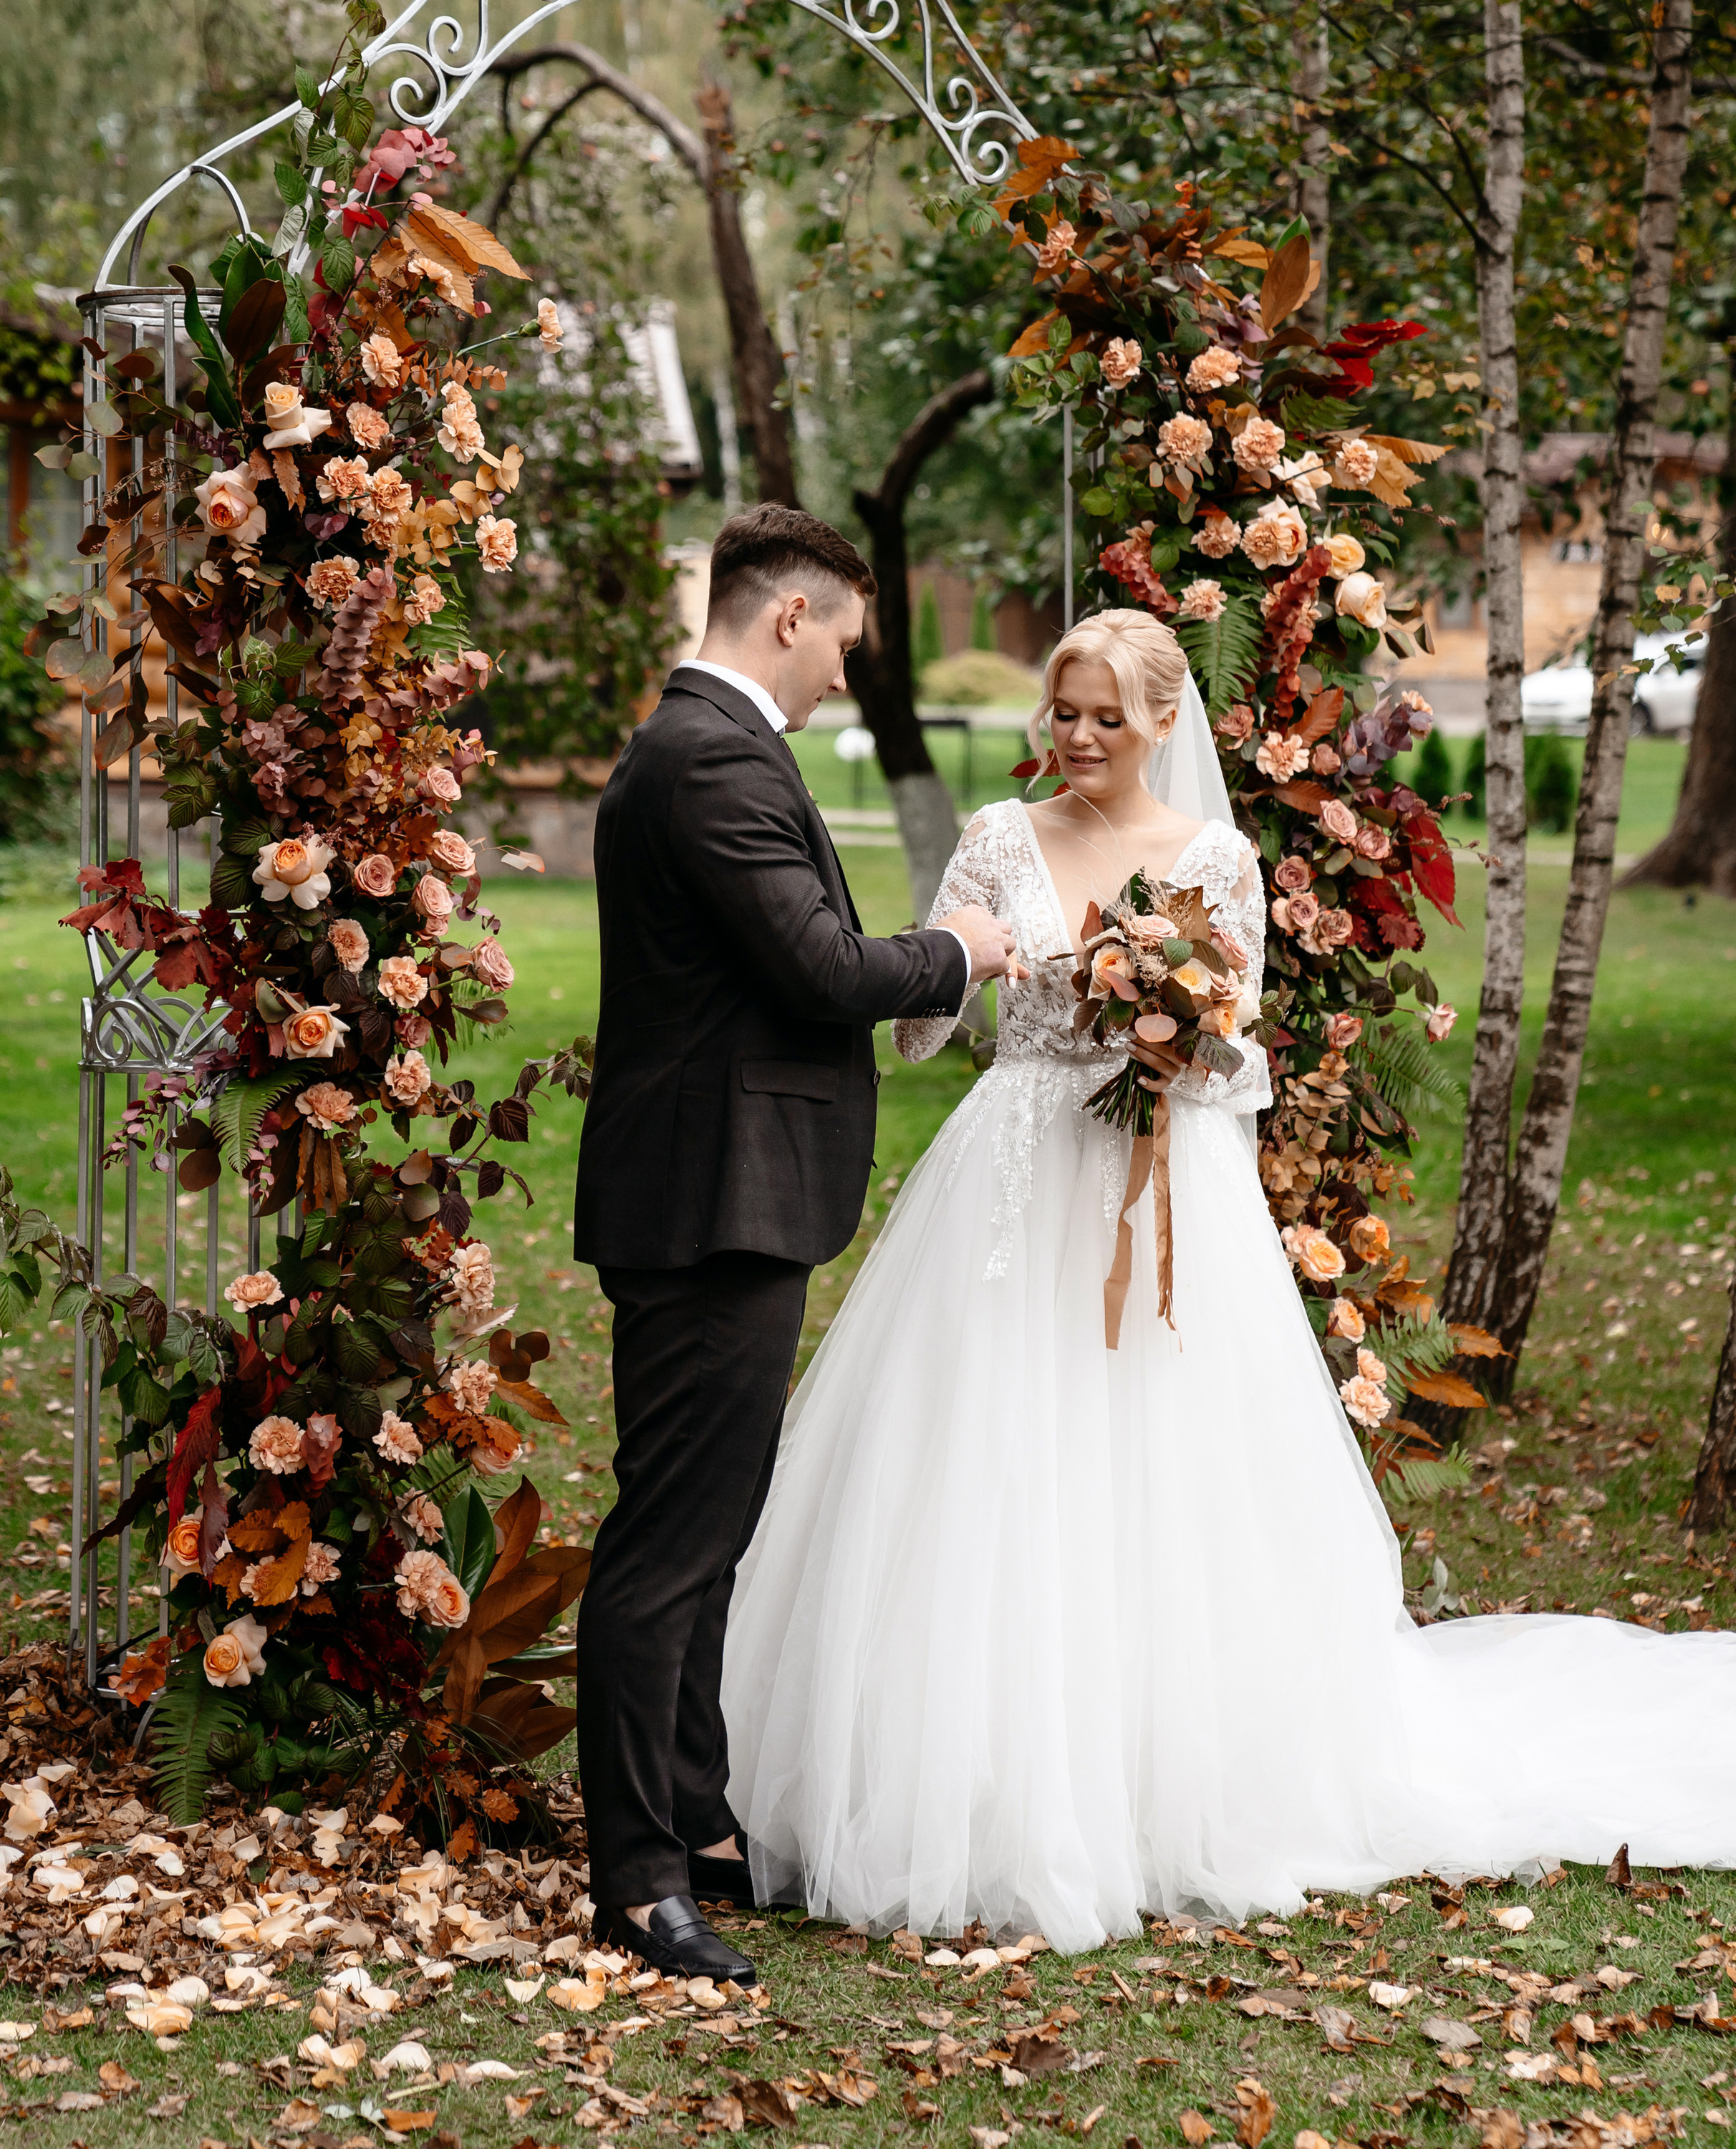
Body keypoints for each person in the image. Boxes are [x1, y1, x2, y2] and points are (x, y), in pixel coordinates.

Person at [720, 607, 1736, 1948]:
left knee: (1159, 1467)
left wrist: (1173, 1026)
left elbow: (1242, 1064)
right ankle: (963, 1769)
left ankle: (1163, 1782)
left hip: (1165, 1183)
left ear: (1159, 726)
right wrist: (970, 960)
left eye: (1103, 717)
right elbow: (919, 1034)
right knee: (986, 1451)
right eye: (1061, 712)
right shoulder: (993, 838)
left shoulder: (1218, 859)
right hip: (1017, 1175)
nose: (1075, 738)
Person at [572, 503, 1018, 1984]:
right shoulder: (708, 758)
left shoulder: (698, 748)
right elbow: (821, 968)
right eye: (840, 640)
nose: (842, 670)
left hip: (719, 1191)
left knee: (709, 1535)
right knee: (669, 1547)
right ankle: (636, 1876)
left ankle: (694, 1826)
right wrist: (967, 951)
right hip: (711, 1204)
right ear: (786, 616)